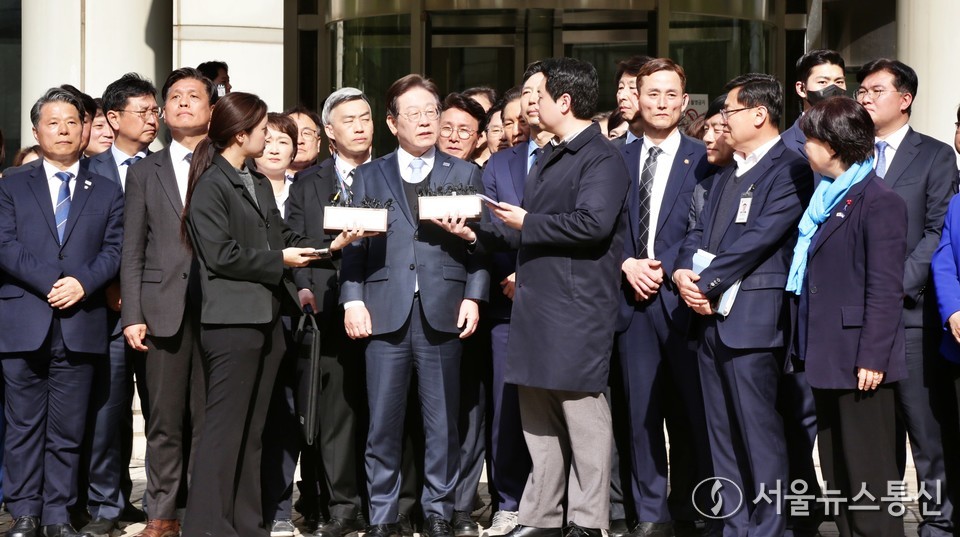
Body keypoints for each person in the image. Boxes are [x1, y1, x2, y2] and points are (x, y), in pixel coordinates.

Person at [436, 56, 630, 537]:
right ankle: (541, 516)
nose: (529, 105)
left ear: (564, 101)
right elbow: (524, 233)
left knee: (583, 414)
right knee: (537, 416)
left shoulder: (602, 157)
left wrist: (527, 221)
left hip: (577, 305)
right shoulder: (549, 154)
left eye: (536, 96)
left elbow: (592, 224)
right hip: (536, 305)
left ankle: (588, 520)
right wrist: (474, 233)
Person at [179, 91, 357, 537]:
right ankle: (207, 527)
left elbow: (283, 236)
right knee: (224, 432)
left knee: (253, 430)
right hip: (231, 324)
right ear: (240, 134)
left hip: (265, 321)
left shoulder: (255, 181)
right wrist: (280, 261)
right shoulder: (211, 185)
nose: (270, 137)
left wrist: (328, 248)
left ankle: (245, 523)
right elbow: (221, 255)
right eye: (262, 130)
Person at [338, 74, 489, 537]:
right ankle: (383, 515)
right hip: (384, 310)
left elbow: (481, 246)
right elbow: (354, 246)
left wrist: (474, 295)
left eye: (431, 112)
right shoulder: (370, 174)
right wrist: (352, 300)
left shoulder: (463, 173)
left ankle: (438, 511)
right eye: (414, 113)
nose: (426, 121)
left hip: (444, 309)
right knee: (382, 422)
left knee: (442, 422)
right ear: (392, 122)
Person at [672, 73, 814, 536]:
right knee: (722, 434)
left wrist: (706, 283)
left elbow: (760, 239)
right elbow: (696, 232)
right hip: (708, 319)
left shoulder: (790, 168)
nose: (722, 122)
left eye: (729, 112)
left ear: (759, 114)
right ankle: (735, 526)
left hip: (752, 320)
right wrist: (683, 274)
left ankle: (769, 527)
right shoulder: (724, 173)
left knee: (759, 432)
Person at [0, 87, 124, 537]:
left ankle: (57, 514)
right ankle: (25, 512)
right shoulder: (11, 183)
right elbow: (5, 244)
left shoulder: (107, 189)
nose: (64, 130)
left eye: (72, 121)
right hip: (24, 320)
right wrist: (54, 282)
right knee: (23, 425)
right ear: (36, 131)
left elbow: (115, 249)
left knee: (69, 429)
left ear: (85, 128)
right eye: (53, 123)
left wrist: (83, 283)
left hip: (81, 320)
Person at [789, 95, 908, 537]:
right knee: (839, 473)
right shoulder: (826, 197)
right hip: (828, 357)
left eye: (810, 140)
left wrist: (873, 357)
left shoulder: (879, 201)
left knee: (870, 478)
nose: (804, 147)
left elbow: (885, 288)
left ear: (833, 145)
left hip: (861, 361)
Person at [856, 58, 960, 537]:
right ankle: (881, 522)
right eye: (861, 90)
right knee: (876, 435)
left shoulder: (935, 156)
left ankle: (938, 522)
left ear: (905, 99)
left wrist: (892, 287)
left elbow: (937, 232)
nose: (865, 98)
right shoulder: (850, 154)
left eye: (876, 90)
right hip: (859, 317)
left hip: (910, 316)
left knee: (926, 431)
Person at [614, 58, 714, 537]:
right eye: (652, 93)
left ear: (684, 100)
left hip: (684, 300)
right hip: (630, 302)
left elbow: (706, 226)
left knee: (693, 411)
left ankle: (691, 506)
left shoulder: (705, 158)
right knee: (640, 414)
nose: (661, 102)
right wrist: (626, 263)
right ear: (637, 97)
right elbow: (601, 226)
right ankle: (651, 513)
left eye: (671, 94)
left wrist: (674, 267)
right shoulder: (614, 158)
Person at [120, 67, 214, 537]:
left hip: (219, 308)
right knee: (163, 418)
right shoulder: (144, 171)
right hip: (161, 310)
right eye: (174, 97)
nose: (182, 103)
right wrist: (132, 315)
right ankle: (162, 512)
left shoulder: (229, 163)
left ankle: (202, 509)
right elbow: (132, 249)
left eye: (193, 96)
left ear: (211, 109)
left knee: (209, 415)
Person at [286, 87, 373, 537]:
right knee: (336, 414)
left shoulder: (390, 172)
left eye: (366, 118)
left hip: (386, 305)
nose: (360, 127)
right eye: (349, 120)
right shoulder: (308, 182)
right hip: (328, 307)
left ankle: (390, 505)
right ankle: (343, 507)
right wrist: (305, 286)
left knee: (386, 410)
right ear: (329, 132)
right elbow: (294, 241)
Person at [80, 72, 159, 537]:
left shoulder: (167, 167)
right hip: (106, 310)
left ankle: (162, 503)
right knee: (107, 412)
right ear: (113, 117)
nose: (152, 119)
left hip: (160, 309)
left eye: (154, 111)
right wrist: (109, 286)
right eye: (142, 111)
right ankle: (106, 504)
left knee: (161, 412)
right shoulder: (88, 171)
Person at [782, 49, 847, 158]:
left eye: (839, 82)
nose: (833, 89)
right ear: (801, 89)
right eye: (822, 82)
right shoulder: (785, 146)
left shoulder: (857, 135)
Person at [611, 55, 653, 147]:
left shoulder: (678, 147)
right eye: (621, 88)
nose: (622, 96)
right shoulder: (610, 150)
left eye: (632, 87)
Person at [438, 93, 486, 163]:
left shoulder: (487, 170)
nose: (453, 138)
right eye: (447, 128)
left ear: (479, 139)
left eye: (463, 130)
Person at [286, 105, 324, 175]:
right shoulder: (266, 180)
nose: (299, 141)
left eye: (306, 133)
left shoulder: (331, 179)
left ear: (318, 144)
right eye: (292, 132)